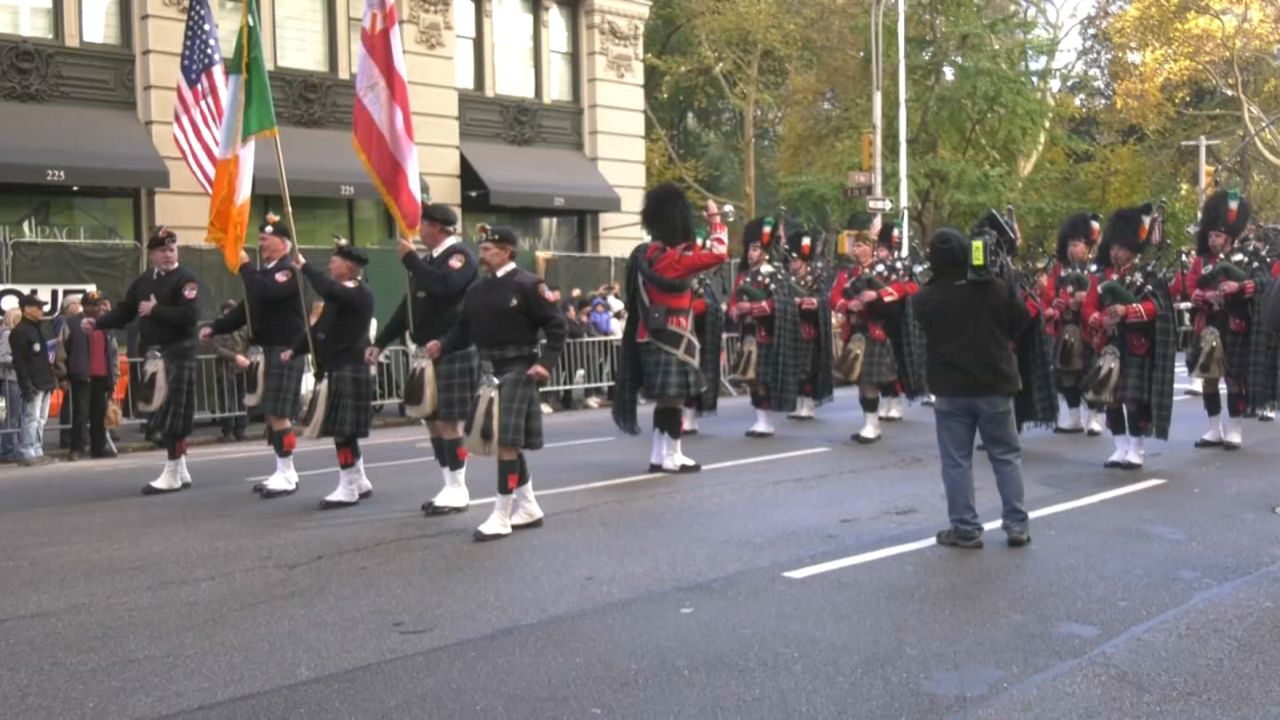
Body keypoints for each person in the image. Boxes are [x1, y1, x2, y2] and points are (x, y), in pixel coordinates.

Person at [432, 226, 567, 541]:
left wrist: (545, 363)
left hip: (520, 368)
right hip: (489, 371)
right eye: (482, 248)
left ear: (507, 251)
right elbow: (463, 328)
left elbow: (556, 325)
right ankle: (529, 506)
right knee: (505, 441)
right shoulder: (477, 289)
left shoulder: (529, 285)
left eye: (489, 248)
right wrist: (443, 344)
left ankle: (502, 515)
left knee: (506, 442)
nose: (482, 253)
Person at [913, 227, 1032, 549]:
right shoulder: (994, 288)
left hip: (951, 388)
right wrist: (1003, 281)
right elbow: (1020, 322)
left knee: (956, 462)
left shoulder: (925, 297)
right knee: (1006, 456)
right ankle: (1016, 524)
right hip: (994, 382)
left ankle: (965, 527)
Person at [368, 204, 479, 515]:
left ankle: (459, 487)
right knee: (431, 420)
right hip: (425, 354)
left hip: (452, 350)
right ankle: (448, 483)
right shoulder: (428, 262)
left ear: (438, 227)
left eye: (423, 224)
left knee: (449, 421)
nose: (418, 230)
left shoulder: (460, 257)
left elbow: (445, 286)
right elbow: (407, 309)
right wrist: (380, 341)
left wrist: (411, 261)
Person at [614, 184, 728, 472]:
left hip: (649, 333)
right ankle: (674, 454)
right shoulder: (672, 259)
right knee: (675, 399)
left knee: (665, 400)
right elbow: (719, 253)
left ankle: (658, 453)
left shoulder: (647, 253)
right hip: (673, 335)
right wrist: (715, 219)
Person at [87, 227, 201, 494]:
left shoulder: (186, 280)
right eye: (162, 250)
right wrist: (99, 323)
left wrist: (155, 309)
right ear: (151, 254)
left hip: (178, 351)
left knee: (174, 414)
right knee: (162, 411)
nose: (168, 255)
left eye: (172, 249)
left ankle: (172, 471)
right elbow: (126, 310)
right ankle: (181, 469)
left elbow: (189, 317)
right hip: (156, 355)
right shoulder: (143, 282)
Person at [204, 214, 309, 497]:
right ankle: (281, 468)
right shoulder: (265, 273)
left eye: (265, 239)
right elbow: (245, 309)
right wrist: (215, 327)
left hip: (286, 349)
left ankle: (288, 473)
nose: (260, 244)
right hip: (267, 350)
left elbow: (267, 292)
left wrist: (245, 265)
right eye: (260, 239)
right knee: (271, 413)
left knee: (280, 413)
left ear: (283, 242)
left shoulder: (290, 270)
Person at [1082, 204, 1177, 470]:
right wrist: (1101, 319)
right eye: (1112, 247)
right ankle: (1120, 446)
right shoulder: (1101, 276)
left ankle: (1136, 447)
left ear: (1133, 248)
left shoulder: (1148, 276)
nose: (1115, 252)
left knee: (1133, 400)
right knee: (1110, 398)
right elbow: (1089, 308)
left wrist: (1127, 310)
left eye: (1120, 248)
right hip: (1109, 345)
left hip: (1136, 345)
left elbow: (1157, 308)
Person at [285, 239, 376, 509]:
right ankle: (359, 480)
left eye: (334, 261)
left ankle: (347, 487)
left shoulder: (357, 293)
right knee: (344, 431)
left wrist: (306, 268)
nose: (330, 264)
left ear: (348, 267)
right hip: (336, 367)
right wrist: (295, 349)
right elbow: (319, 330)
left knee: (342, 432)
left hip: (348, 367)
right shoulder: (339, 295)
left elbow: (329, 290)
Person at [1172, 190, 1257, 450]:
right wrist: (1202, 295)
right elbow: (1187, 288)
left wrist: (1238, 288)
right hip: (1207, 324)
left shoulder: (1246, 258)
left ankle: (1235, 429)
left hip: (1234, 325)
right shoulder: (1201, 261)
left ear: (1229, 237)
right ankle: (1213, 429)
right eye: (1210, 235)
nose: (1212, 240)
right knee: (1209, 378)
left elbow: (1260, 284)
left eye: (1217, 235)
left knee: (1233, 379)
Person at [829, 227, 902, 443]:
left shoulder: (884, 270)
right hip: (854, 330)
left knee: (869, 380)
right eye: (855, 245)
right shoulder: (847, 273)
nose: (855, 248)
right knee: (861, 381)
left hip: (876, 329)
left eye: (860, 245)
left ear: (870, 248)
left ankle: (873, 425)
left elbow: (901, 290)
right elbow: (834, 297)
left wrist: (877, 294)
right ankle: (870, 423)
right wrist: (847, 304)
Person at [729, 216, 797, 439]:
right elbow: (733, 300)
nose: (751, 253)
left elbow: (779, 303)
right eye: (750, 248)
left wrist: (752, 307)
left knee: (763, 379)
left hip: (765, 333)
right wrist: (734, 310)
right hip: (747, 333)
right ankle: (760, 419)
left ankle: (766, 421)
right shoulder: (743, 276)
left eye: (756, 248)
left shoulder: (775, 274)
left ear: (765, 251)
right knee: (751, 379)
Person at [1042, 212, 1104, 435]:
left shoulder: (1097, 268)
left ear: (1088, 246)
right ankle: (1074, 416)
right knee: (1067, 371)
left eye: (1077, 244)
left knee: (1094, 371)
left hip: (1091, 330)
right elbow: (1049, 295)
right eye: (1069, 243)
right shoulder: (1059, 269)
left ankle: (1095, 416)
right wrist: (1056, 303)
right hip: (1066, 327)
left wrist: (1084, 300)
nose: (1072, 249)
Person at [783, 228, 834, 420]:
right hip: (792, 328)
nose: (792, 263)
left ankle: (808, 403)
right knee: (795, 368)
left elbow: (822, 302)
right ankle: (798, 403)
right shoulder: (788, 281)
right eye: (791, 260)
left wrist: (803, 303)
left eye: (795, 260)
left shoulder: (816, 280)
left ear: (803, 261)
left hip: (808, 329)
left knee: (807, 369)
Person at [9, 294, 56, 466]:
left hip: (45, 381)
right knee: (31, 417)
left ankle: (37, 449)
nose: (41, 310)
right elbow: (19, 362)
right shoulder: (20, 332)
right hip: (33, 383)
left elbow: (45, 357)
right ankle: (27, 451)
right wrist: (27, 385)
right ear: (27, 309)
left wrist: (52, 380)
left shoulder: (40, 328)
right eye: (38, 306)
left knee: (41, 419)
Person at [79, 292, 120, 459]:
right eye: (96, 305)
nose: (100, 308)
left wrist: (114, 376)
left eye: (101, 304)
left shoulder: (105, 326)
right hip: (83, 377)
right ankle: (77, 448)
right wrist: (64, 374)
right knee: (80, 415)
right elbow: (63, 350)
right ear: (86, 306)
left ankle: (99, 448)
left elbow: (113, 353)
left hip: (102, 377)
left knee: (99, 415)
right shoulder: (75, 324)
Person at [207, 300, 250, 443]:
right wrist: (235, 357)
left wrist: (246, 358)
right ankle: (228, 431)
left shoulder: (243, 327)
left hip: (241, 369)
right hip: (226, 368)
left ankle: (240, 430)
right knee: (227, 401)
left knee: (242, 400)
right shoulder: (219, 327)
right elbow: (217, 348)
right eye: (228, 311)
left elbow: (248, 343)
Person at [0, 308, 24, 461]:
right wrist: (21, 360)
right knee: (10, 416)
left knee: (5, 415)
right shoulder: (8, 334)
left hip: (10, 380)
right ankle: (8, 450)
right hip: (10, 380)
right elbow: (3, 357)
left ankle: (7, 448)